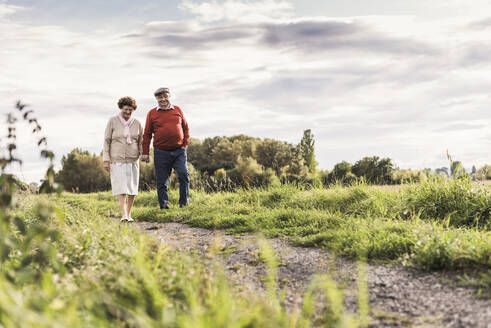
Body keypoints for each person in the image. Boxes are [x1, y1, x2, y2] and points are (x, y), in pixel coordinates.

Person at [141, 87, 190, 209]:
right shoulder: (152, 113)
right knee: (162, 181)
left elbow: (185, 128)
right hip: (161, 152)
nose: (163, 99)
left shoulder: (177, 110)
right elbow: (147, 134)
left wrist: (185, 145)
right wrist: (145, 152)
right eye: (159, 97)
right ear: (156, 99)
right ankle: (164, 205)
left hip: (179, 151)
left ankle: (184, 204)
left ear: (169, 96)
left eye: (165, 96)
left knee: (184, 175)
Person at [103, 96, 143, 222]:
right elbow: (106, 141)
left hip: (133, 159)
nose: (128, 112)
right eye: (126, 109)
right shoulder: (113, 121)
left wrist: (143, 154)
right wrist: (106, 159)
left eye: (130, 110)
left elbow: (141, 141)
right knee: (121, 187)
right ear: (121, 108)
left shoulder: (137, 123)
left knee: (132, 188)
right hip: (117, 159)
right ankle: (124, 214)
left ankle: (129, 214)